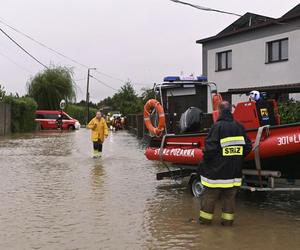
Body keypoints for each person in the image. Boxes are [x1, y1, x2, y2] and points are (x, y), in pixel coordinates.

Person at [199, 101, 252, 226]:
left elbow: (210, 150)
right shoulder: (239, 126)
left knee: (209, 198)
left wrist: (205, 161)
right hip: (234, 173)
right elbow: (248, 146)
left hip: (216, 173)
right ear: (231, 111)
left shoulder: (217, 127)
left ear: (220, 111)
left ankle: (205, 225)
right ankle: (227, 225)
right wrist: (237, 157)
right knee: (229, 199)